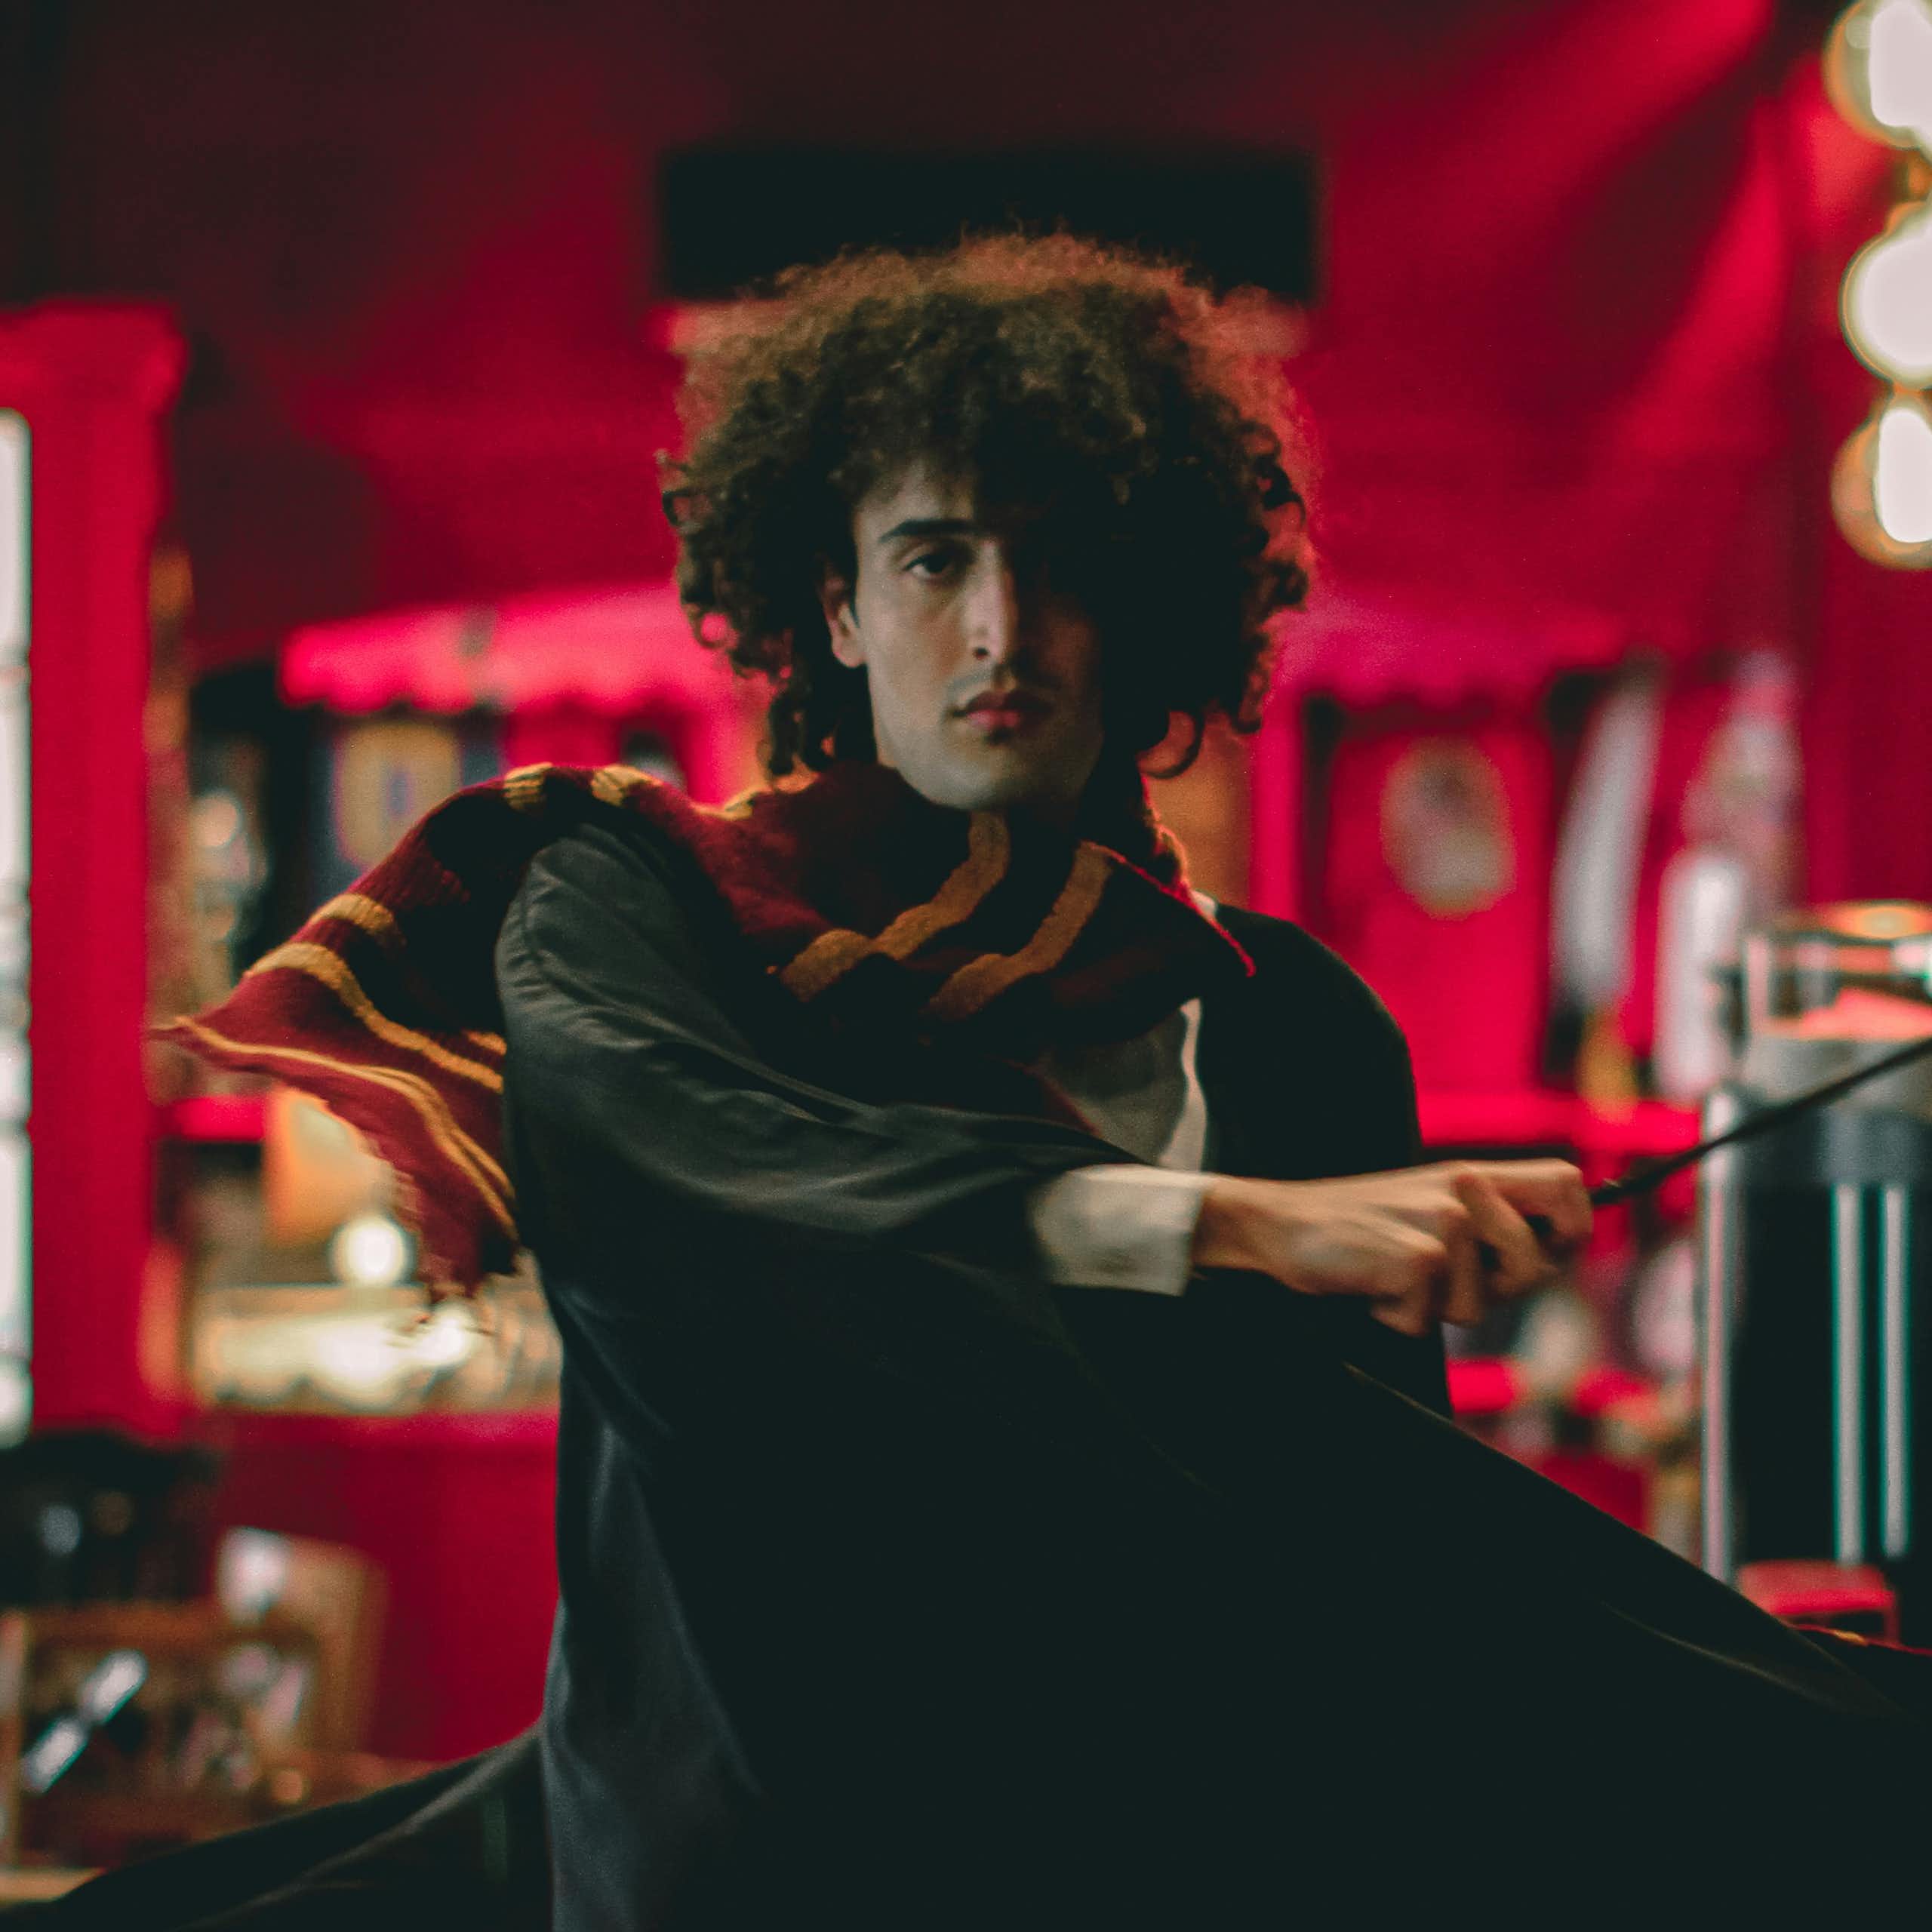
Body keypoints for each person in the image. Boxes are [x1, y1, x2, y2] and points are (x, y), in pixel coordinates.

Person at [38, 234, 1931, 1930]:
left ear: (1153, 603)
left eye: (1061, 559)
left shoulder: (1293, 1027)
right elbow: (729, 1190)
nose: (999, 628)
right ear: (834, 606)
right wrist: (1236, 1227)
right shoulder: (642, 919)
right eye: (934, 558)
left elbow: (1373, 1574)